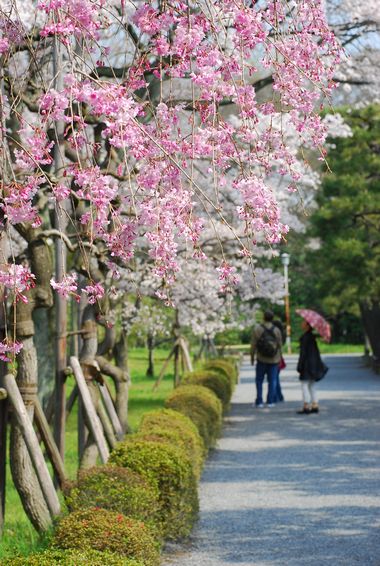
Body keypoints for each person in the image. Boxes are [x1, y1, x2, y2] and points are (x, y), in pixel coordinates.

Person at [251, 310, 283, 408]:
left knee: (259, 380)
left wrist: (252, 357)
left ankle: (259, 401)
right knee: (272, 381)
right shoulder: (276, 330)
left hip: (261, 359)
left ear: (263, 317)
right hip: (274, 359)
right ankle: (270, 401)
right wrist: (280, 358)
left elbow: (253, 345)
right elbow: (280, 345)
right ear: (272, 318)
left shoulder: (257, 329)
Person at [297, 320, 328, 414]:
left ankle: (306, 405)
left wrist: (299, 365)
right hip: (314, 364)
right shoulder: (312, 337)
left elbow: (303, 354)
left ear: (307, 325)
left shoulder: (305, 338)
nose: (301, 324)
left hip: (306, 364)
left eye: (303, 323)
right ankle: (315, 404)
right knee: (312, 385)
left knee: (304, 385)